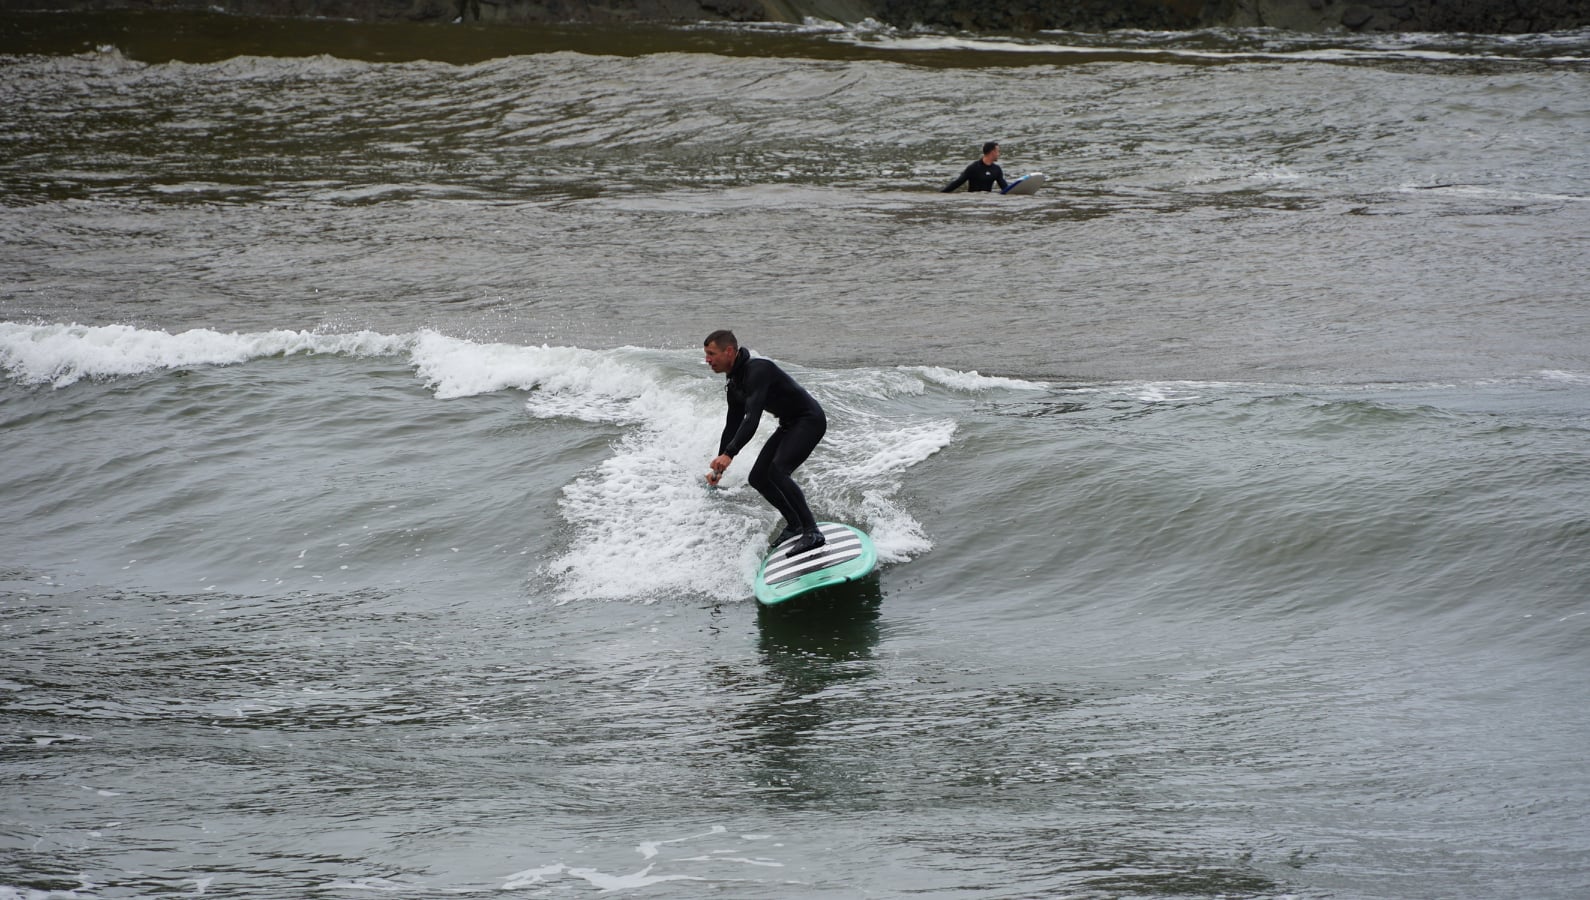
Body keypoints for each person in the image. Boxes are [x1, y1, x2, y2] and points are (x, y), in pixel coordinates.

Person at [703, 330, 828, 558]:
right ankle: (795, 525)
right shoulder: (734, 384)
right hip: (789, 424)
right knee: (758, 477)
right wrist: (719, 465)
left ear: (729, 351)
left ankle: (812, 532)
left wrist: (730, 454)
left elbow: (752, 418)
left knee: (779, 471)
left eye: (712, 354)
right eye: (706, 354)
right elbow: (732, 425)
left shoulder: (758, 371)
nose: (707, 360)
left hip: (809, 420)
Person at [942, 140, 1009, 193]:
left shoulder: (996, 169)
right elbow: (958, 182)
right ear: (992, 152)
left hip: (988, 201)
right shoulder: (974, 167)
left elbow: (1005, 188)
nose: (999, 154)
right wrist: (942, 193)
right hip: (973, 202)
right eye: (998, 151)